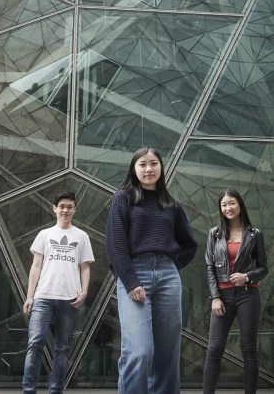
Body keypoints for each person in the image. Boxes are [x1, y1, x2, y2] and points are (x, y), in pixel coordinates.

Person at [106, 147, 198, 394]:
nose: (149, 169)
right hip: (135, 275)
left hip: (168, 276)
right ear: (134, 169)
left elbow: (189, 244)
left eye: (154, 163)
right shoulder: (122, 199)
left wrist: (170, 266)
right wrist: (130, 279)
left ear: (161, 168)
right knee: (139, 350)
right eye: (143, 164)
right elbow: (115, 244)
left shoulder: (171, 205)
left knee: (168, 351)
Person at [22, 190, 94, 394]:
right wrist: (29, 296)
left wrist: (84, 292)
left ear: (75, 209)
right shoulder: (45, 235)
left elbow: (85, 267)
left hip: (69, 299)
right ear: (54, 208)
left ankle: (56, 391)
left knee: (62, 348)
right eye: (61, 206)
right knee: (35, 344)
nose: (65, 210)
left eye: (69, 207)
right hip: (43, 297)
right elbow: (35, 266)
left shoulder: (81, 236)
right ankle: (28, 390)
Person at [203, 189, 268, 394]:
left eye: (231, 203)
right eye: (224, 205)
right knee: (214, 350)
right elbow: (209, 267)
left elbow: (263, 268)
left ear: (239, 205)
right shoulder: (214, 234)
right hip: (222, 297)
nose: (228, 208)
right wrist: (215, 297)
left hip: (248, 295)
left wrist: (247, 276)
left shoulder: (254, 234)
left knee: (248, 349)